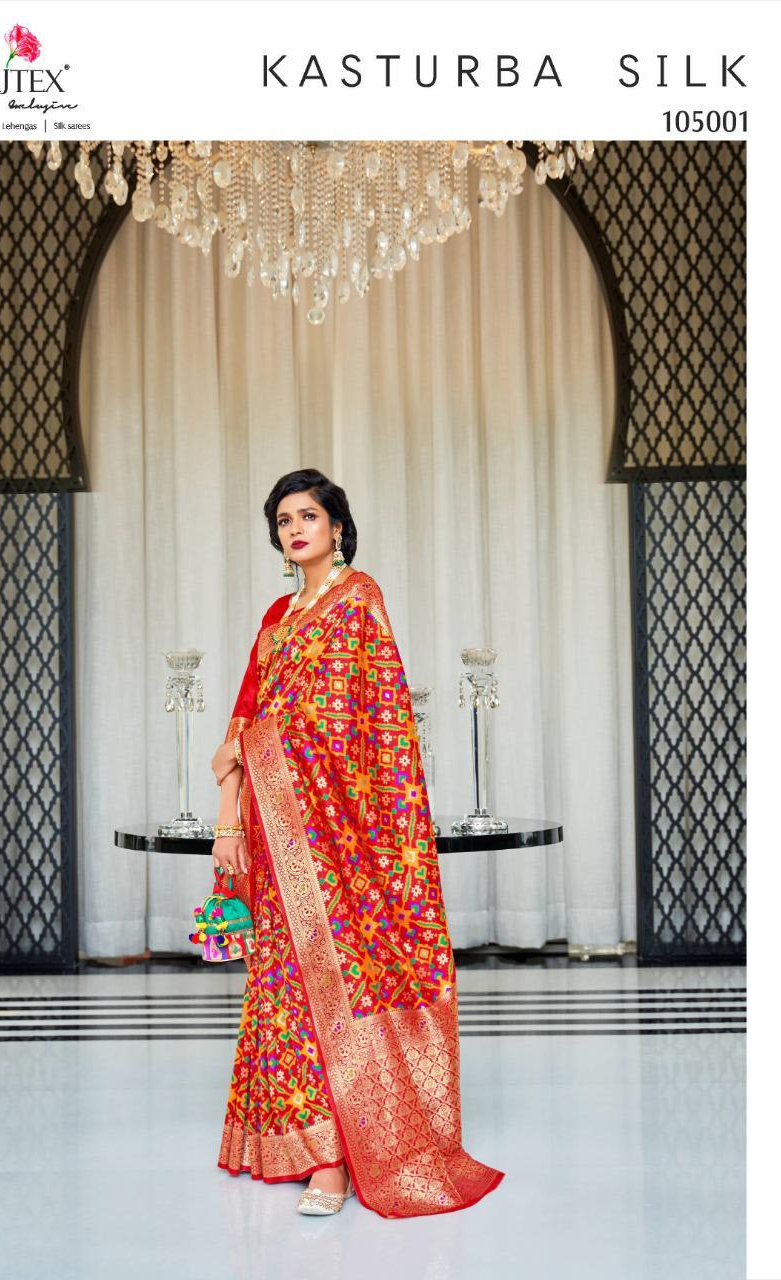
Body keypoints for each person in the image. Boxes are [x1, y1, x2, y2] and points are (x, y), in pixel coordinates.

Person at [209, 467, 505, 1219]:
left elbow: (364, 719)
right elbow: (242, 724)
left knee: (339, 980)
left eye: (308, 516)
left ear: (337, 526)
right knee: (285, 983)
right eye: (284, 520)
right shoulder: (277, 617)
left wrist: (262, 742)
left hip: (339, 829)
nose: (295, 529)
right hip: (274, 824)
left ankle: (339, 1162)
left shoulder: (358, 599)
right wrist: (228, 821)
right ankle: (311, 1148)